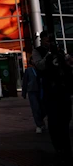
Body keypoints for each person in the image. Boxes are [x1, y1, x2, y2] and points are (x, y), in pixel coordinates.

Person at [32, 31, 73, 163]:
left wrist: (62, 55)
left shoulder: (60, 51)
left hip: (63, 90)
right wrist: (49, 54)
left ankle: (66, 146)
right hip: (50, 90)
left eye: (50, 40)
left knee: (66, 118)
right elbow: (40, 66)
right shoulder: (38, 51)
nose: (48, 43)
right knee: (54, 120)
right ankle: (59, 146)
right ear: (42, 40)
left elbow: (69, 63)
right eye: (46, 40)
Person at [22, 60, 45, 134]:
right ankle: (39, 124)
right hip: (32, 91)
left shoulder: (40, 70)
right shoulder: (28, 71)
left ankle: (41, 121)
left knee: (42, 108)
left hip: (40, 90)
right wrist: (24, 92)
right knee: (35, 108)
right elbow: (25, 81)